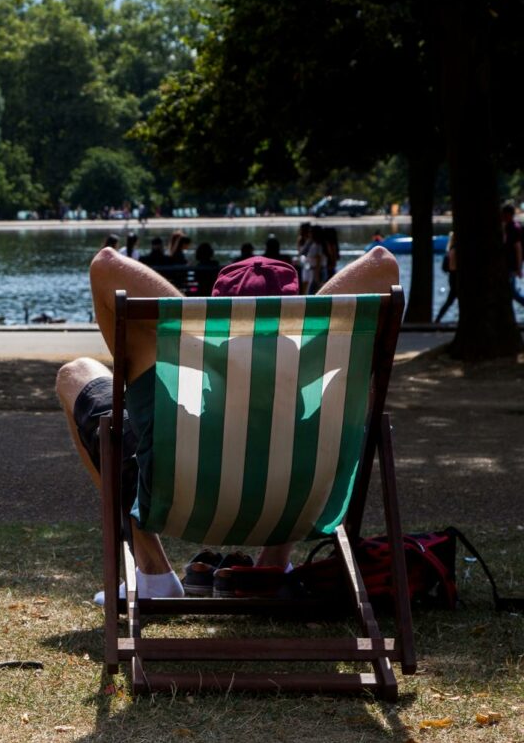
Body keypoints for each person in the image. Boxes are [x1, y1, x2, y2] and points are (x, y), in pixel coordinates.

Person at [55, 245, 400, 604]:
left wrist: (202, 337)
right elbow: (382, 263)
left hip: (183, 503)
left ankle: (153, 573)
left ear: (218, 315)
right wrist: (307, 331)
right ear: (295, 320)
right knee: (306, 437)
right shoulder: (323, 366)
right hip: (298, 509)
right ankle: (272, 566)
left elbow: (106, 264)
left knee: (75, 373)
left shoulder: (165, 355)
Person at [501, 204, 524, 308]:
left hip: (511, 265)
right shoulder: (508, 226)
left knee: (512, 293)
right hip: (508, 265)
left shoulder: (514, 228)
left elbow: (518, 249)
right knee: (509, 292)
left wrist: (519, 268)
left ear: (508, 215)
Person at [435, 231, 458, 323]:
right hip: (456, 276)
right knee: (450, 300)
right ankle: (437, 319)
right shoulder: (456, 250)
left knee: (450, 300)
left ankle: (438, 319)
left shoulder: (450, 250)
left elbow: (445, 268)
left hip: (452, 276)